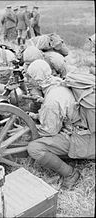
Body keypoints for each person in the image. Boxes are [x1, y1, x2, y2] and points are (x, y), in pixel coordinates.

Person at [21, 59, 95, 189]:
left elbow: (48, 131)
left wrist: (28, 128)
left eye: (29, 77)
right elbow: (64, 110)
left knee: (35, 148)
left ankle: (70, 174)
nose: (27, 80)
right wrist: (38, 116)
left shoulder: (52, 100)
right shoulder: (58, 83)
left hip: (83, 138)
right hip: (83, 129)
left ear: (38, 80)